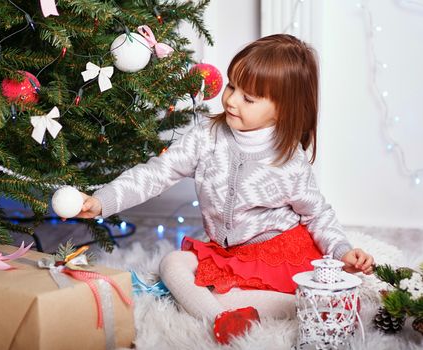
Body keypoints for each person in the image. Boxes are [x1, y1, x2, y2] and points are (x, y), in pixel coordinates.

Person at [74, 34, 375, 345]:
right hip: (226, 253)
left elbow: (317, 215)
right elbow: (156, 173)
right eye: (232, 86)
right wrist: (102, 201)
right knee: (172, 264)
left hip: (275, 255)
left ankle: (302, 303)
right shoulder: (206, 137)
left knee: (225, 293)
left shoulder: (289, 161)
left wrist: (341, 250)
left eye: (249, 98)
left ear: (282, 110)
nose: (231, 100)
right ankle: (222, 318)